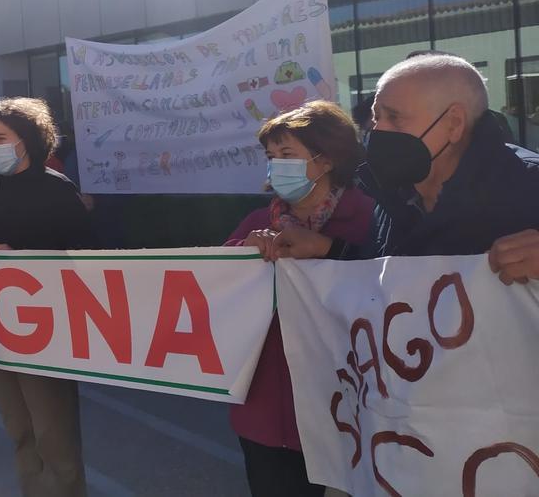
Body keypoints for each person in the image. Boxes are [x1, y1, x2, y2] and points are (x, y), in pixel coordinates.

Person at [270, 54, 539, 285]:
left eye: (394, 117)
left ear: (454, 124)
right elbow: (388, 282)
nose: (377, 131)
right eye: (376, 117)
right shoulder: (393, 195)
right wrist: (326, 250)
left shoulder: (529, 185)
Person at [223, 101, 373, 497]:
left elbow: (391, 291)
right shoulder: (255, 224)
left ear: (327, 160)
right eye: (271, 157)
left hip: (348, 414)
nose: (276, 166)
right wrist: (241, 253)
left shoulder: (370, 221)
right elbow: (216, 296)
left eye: (287, 155)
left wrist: (329, 249)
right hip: (265, 416)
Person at [0, 98, 94, 497]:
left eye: (1, 137)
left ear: (28, 140)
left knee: (53, 432)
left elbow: (87, 256)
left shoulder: (56, 188)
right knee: (19, 429)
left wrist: (26, 258)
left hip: (47, 329)